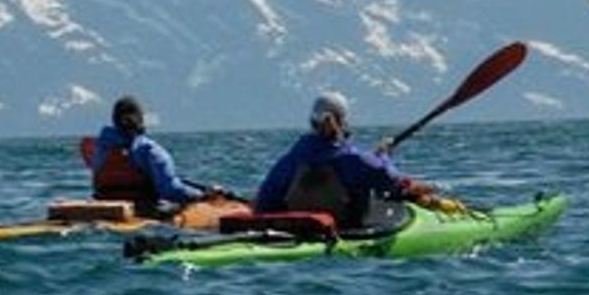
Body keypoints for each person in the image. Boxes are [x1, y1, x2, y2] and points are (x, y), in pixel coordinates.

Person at [252, 91, 442, 229]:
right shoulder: (354, 158)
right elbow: (392, 182)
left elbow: (263, 204)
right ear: (343, 121)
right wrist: (384, 155)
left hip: (294, 231)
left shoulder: (290, 159)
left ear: (311, 121)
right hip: (347, 228)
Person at [88, 95, 224, 215]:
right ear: (140, 120)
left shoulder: (99, 148)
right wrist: (204, 195)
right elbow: (170, 190)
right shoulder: (149, 150)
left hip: (103, 203)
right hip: (143, 209)